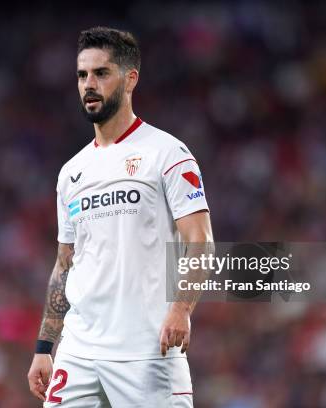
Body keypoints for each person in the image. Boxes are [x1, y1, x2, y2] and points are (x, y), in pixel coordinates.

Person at [27, 26, 213, 407]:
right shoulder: (71, 172)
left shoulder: (168, 153)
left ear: (130, 79)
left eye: (101, 73)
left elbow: (201, 242)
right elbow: (65, 264)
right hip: (80, 349)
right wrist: (45, 346)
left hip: (145, 347)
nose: (89, 84)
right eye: (82, 75)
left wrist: (181, 309)